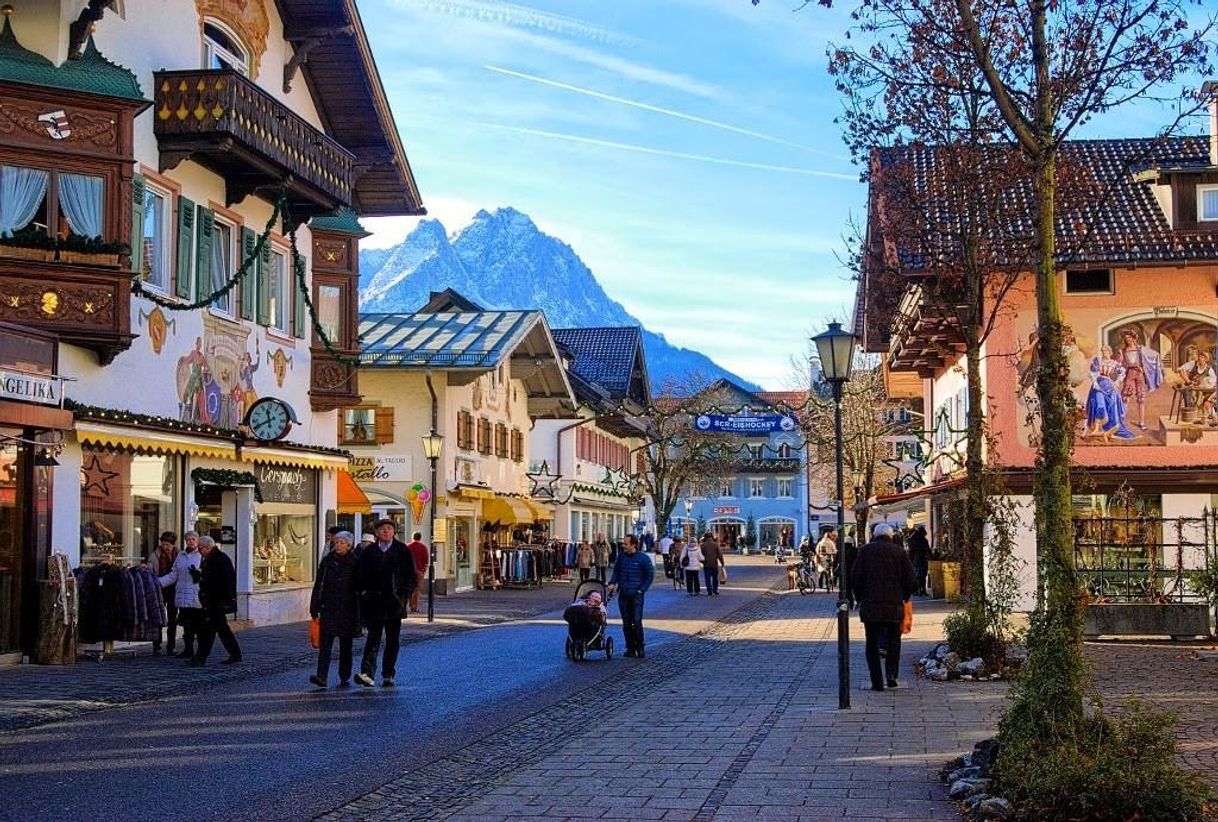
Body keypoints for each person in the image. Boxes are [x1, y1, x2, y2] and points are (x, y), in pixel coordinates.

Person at [850, 523, 916, 691]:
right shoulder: (899, 552)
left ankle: (877, 682)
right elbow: (910, 580)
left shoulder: (864, 551)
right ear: (891, 536)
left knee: (871, 643)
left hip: (870, 606)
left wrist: (859, 597)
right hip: (894, 606)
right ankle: (891, 675)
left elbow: (855, 577)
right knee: (894, 641)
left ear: (874, 535)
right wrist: (904, 597)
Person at [354, 518, 416, 687]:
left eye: (389, 528)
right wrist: (364, 592)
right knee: (372, 639)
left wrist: (402, 597)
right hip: (374, 602)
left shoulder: (402, 550)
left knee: (392, 640)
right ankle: (367, 673)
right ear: (376, 533)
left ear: (394, 531)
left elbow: (411, 576)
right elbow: (360, 574)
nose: (385, 531)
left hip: (394, 603)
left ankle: (388, 673)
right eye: (382, 529)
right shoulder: (370, 552)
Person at [310, 531, 361, 688]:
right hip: (329, 607)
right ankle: (322, 676)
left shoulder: (355, 562)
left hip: (348, 608)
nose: (338, 545)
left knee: (346, 644)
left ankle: (344, 675)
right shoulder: (327, 562)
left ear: (349, 545)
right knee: (325, 644)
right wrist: (314, 606)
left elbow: (361, 586)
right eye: (337, 542)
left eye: (342, 542)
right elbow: (319, 584)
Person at [191, 536, 241, 667]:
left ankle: (200, 658)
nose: (199, 551)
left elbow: (218, 581)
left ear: (207, 547)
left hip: (215, 600)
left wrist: (203, 580)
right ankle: (235, 654)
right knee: (221, 629)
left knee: (209, 630)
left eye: (200, 548)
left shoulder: (217, 559)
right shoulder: (214, 558)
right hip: (213, 600)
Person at [156, 531, 202, 658]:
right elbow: (174, 574)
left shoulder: (201, 555)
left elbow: (206, 574)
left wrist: (198, 574)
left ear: (197, 541)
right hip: (182, 594)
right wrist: (159, 582)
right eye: (188, 539)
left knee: (197, 625)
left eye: (193, 539)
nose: (191, 541)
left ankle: (201, 651)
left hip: (195, 595)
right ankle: (188, 649)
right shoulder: (181, 555)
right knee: (186, 624)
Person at [608, 534, 653, 658]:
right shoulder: (621, 557)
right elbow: (616, 571)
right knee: (626, 623)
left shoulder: (643, 558)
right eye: (623, 543)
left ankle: (640, 647)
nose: (623, 546)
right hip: (624, 594)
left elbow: (649, 575)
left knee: (637, 621)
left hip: (636, 595)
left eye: (626, 544)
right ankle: (630, 648)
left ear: (633, 544)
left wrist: (642, 590)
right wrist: (612, 583)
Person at [145, 531, 179, 656]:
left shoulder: (179, 554)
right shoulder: (155, 555)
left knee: (172, 618)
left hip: (174, 589)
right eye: (163, 544)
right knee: (157, 617)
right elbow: (150, 571)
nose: (165, 547)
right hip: (158, 588)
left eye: (168, 545)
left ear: (173, 545)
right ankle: (157, 644)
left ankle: (171, 645)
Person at [405, 531, 429, 614]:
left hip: (408, 571)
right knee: (417, 589)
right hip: (419, 571)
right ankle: (414, 607)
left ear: (413, 537)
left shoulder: (408, 546)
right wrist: (423, 571)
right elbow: (426, 561)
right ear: (420, 538)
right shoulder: (423, 547)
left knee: (408, 589)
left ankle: (407, 605)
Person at [907, 524, 931, 597]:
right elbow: (928, 550)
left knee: (918, 576)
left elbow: (911, 550)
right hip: (923, 560)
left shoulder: (914, 541)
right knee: (923, 576)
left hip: (916, 561)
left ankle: (918, 590)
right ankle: (922, 590)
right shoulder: (924, 540)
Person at [700, 532, 725, 596]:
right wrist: (722, 562)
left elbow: (700, 556)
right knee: (715, 578)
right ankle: (715, 590)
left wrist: (702, 562)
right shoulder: (715, 544)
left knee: (707, 578)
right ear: (712, 537)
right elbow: (720, 554)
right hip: (714, 564)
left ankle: (709, 591)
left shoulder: (702, 545)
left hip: (706, 564)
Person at [841, 532, 860, 609]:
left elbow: (836, 561)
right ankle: (858, 601)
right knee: (855, 587)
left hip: (845, 571)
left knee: (847, 589)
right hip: (854, 570)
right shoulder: (855, 550)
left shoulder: (842, 550)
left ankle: (850, 603)